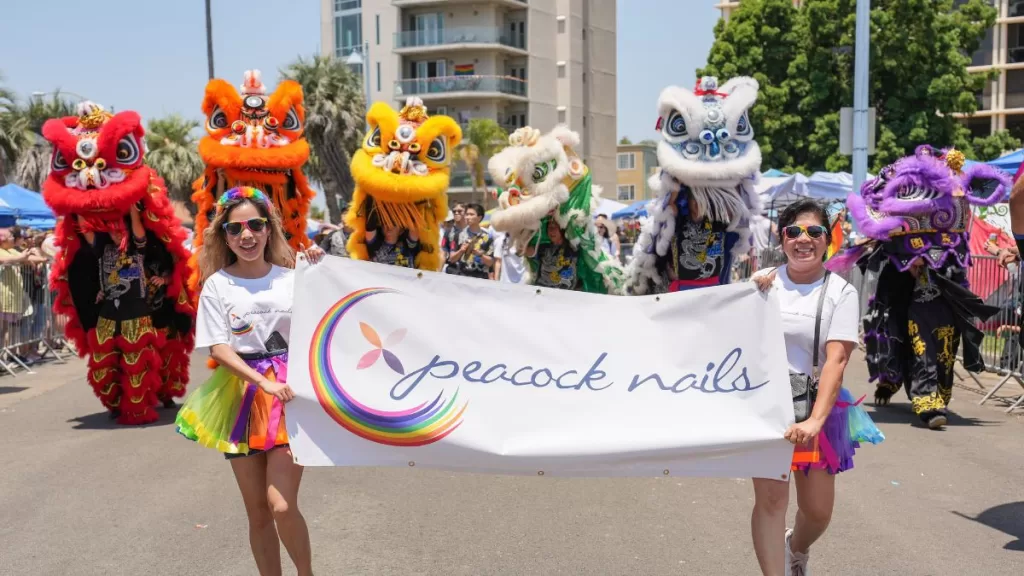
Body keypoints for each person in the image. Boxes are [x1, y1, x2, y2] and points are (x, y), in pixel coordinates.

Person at [175, 186, 323, 576]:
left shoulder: (294, 279)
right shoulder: (217, 285)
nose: (247, 235)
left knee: (282, 505)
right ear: (223, 235)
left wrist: (320, 267)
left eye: (256, 225)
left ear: (269, 229)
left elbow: (329, 319)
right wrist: (262, 381)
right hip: (241, 397)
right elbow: (219, 350)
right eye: (236, 228)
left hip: (291, 397)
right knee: (258, 513)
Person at [751, 200, 883, 576]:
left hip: (816, 406)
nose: (803, 239)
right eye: (794, 231)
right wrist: (751, 297)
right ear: (782, 238)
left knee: (818, 512)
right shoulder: (760, 283)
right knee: (772, 501)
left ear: (828, 239)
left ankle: (797, 547)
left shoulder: (840, 291)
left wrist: (814, 421)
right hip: (767, 405)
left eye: (813, 232)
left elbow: (836, 362)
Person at [525, 219, 582, 290]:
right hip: (543, 292)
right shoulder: (544, 248)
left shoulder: (573, 247)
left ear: (562, 229)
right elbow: (528, 251)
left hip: (566, 294)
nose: (551, 230)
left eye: (555, 227)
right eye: (549, 227)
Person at [447, 203, 495, 279]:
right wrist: (461, 250)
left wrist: (480, 255)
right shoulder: (458, 235)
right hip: (461, 276)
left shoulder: (487, 237)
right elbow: (452, 259)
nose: (468, 217)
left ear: (479, 217)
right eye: (467, 214)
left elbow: (491, 263)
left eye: (471, 214)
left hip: (480, 278)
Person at [443, 203, 467, 274]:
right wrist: (437, 274)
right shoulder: (448, 232)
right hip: (453, 270)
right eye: (454, 211)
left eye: (460, 211)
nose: (456, 213)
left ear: (466, 213)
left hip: (469, 272)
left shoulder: (473, 231)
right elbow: (443, 253)